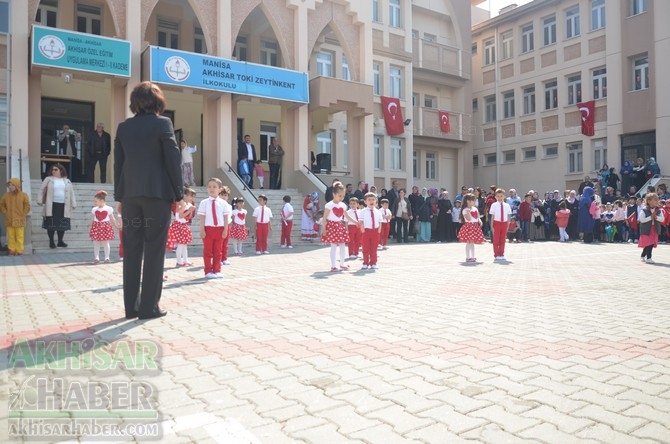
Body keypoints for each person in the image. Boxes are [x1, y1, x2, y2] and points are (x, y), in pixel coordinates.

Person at [114, 81, 184, 319]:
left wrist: (119, 197)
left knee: (132, 249)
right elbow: (173, 160)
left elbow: (118, 164)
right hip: (157, 197)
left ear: (134, 103)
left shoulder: (123, 127)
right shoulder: (163, 124)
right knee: (154, 250)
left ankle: (131, 307)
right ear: (158, 102)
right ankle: (149, 307)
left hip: (131, 197)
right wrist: (180, 194)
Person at [39, 163, 77, 249]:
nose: (53, 171)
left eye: (55, 169)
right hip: (51, 205)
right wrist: (40, 200)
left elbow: (71, 193)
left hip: (64, 206)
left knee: (62, 224)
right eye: (52, 169)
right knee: (51, 224)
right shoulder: (48, 179)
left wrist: (73, 203)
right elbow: (42, 190)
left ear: (61, 170)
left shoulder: (67, 181)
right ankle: (51, 241)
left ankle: (60, 241)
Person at [322, 182, 359, 271]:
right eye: (340, 196)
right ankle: (333, 265)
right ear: (334, 194)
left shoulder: (343, 205)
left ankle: (342, 263)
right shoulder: (329, 205)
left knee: (342, 245)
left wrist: (355, 222)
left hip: (340, 226)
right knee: (333, 246)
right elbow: (324, 218)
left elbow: (346, 216)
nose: (342, 198)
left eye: (343, 196)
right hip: (331, 226)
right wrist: (324, 229)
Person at [198, 178, 228, 279]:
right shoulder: (204, 202)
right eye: (209, 186)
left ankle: (217, 270)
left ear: (219, 189)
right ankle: (208, 271)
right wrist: (202, 229)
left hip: (219, 229)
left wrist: (225, 230)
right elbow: (202, 217)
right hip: (208, 229)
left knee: (218, 251)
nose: (212, 188)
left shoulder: (223, 203)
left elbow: (225, 217)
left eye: (214, 187)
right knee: (208, 251)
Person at [0, 178, 31, 255]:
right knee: (11, 236)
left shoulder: (23, 195)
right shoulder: (6, 195)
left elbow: (27, 205)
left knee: (20, 236)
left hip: (19, 219)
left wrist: (23, 213)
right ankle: (12, 249)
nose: (10, 187)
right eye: (9, 185)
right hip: (9, 219)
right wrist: (5, 212)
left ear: (17, 185)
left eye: (12, 185)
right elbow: (1, 204)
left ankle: (19, 250)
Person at [167, 188, 196, 267]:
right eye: (191, 196)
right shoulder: (181, 204)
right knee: (180, 244)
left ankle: (185, 260)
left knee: (184, 244)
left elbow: (188, 217)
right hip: (179, 225)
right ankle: (179, 261)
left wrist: (191, 211)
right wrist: (189, 211)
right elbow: (180, 215)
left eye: (193, 197)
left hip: (184, 225)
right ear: (185, 196)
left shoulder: (189, 205)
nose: (192, 198)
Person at [88, 190, 119, 263]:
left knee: (105, 243)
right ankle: (96, 257)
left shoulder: (108, 208)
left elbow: (112, 218)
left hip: (105, 227)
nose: (94, 203)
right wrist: (90, 227)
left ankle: (107, 257)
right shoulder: (94, 209)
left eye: (96, 201)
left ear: (102, 200)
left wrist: (117, 226)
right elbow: (92, 219)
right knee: (96, 243)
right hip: (96, 227)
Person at [458, 193, 485, 262]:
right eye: (473, 200)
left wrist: (480, 221)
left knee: (472, 243)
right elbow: (469, 219)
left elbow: (478, 216)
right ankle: (468, 257)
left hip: (475, 226)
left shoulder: (475, 208)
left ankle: (473, 256)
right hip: (469, 227)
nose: (474, 202)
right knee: (469, 242)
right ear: (468, 201)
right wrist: (469, 212)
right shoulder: (465, 210)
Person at [638, 192, 664, 264]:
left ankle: (643, 255)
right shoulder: (644, 210)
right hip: (646, 229)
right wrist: (650, 217)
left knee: (651, 243)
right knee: (648, 243)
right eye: (654, 200)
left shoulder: (659, 210)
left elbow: (662, 219)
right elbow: (641, 220)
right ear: (648, 201)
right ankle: (649, 258)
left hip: (654, 229)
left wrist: (656, 217)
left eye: (657, 200)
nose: (656, 201)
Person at [359, 192, 382, 270]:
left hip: (375, 232)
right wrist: (362, 229)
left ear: (376, 201)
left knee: (374, 248)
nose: (371, 201)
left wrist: (379, 230)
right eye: (369, 200)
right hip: (366, 231)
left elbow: (380, 221)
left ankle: (373, 263)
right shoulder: (363, 211)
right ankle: (365, 262)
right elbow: (361, 221)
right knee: (365, 248)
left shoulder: (378, 212)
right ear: (365, 202)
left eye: (373, 199)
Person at [489, 188, 511, 261]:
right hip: (496, 223)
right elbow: (492, 216)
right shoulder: (494, 205)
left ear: (504, 196)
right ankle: (497, 254)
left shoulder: (507, 205)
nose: (499, 198)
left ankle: (502, 254)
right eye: (498, 196)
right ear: (495, 197)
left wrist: (508, 225)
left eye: (501, 196)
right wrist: (492, 226)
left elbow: (508, 216)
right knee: (496, 240)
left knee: (502, 240)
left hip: (504, 223)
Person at [219, 186, 233, 265]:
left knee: (225, 243)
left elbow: (229, 216)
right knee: (219, 243)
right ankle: (219, 258)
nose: (224, 197)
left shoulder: (229, 206)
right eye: (222, 195)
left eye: (225, 195)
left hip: (227, 225)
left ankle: (224, 258)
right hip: (220, 225)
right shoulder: (218, 205)